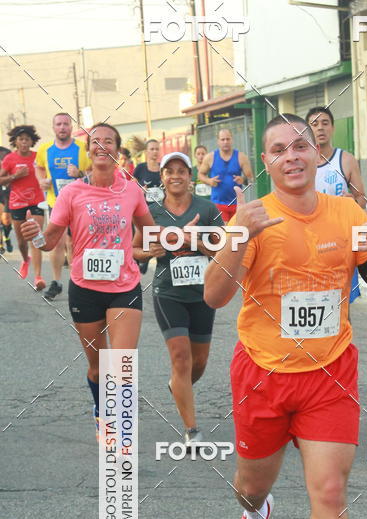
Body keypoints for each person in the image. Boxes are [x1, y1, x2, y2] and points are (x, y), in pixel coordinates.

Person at [204, 114, 367, 519]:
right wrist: (237, 239)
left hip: (329, 373)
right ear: (265, 162)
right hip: (262, 374)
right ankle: (255, 514)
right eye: (278, 150)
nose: (291, 156)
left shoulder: (347, 213)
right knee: (251, 484)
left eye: (299, 146)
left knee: (331, 490)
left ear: (318, 155)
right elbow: (214, 297)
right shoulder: (250, 217)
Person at [21, 123, 155, 438]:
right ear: (89, 150)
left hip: (124, 287)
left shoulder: (131, 189)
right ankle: (100, 407)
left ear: (118, 150)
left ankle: (119, 429)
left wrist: (162, 245)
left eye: (109, 141)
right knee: (98, 367)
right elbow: (49, 242)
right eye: (96, 141)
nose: (102, 146)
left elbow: (150, 231)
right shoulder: (72, 193)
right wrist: (35, 236)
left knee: (121, 365)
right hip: (85, 289)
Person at [133, 151, 223, 446]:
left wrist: (194, 240)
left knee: (199, 362)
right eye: (169, 171)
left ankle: (178, 387)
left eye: (181, 171)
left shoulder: (207, 210)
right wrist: (151, 253)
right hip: (168, 292)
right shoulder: (152, 212)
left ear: (190, 177)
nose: (175, 176)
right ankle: (192, 430)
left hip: (202, 293)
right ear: (162, 178)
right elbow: (133, 250)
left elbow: (225, 252)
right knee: (181, 358)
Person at [307, 105, 367, 304]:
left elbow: (362, 200)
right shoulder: (300, 162)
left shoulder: (346, 160)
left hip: (340, 244)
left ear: (332, 128)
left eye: (325, 123)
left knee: (342, 305)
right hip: (307, 243)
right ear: (307, 130)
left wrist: (352, 202)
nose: (320, 128)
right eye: (314, 124)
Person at [35, 112, 90, 300]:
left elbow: (94, 173)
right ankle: (57, 282)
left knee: (75, 243)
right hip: (56, 203)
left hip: (80, 203)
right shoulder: (45, 149)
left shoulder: (82, 148)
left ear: (71, 127)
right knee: (56, 243)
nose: (62, 127)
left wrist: (79, 173)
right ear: (53, 127)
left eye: (66, 124)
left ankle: (77, 282)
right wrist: (42, 181)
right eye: (58, 124)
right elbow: (38, 166)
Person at [0, 125, 46, 288]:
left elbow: (47, 173)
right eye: (21, 139)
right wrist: (15, 176)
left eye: (27, 139)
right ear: (16, 141)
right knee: (21, 241)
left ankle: (38, 277)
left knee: (36, 237)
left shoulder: (38, 156)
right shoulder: (10, 159)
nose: (24, 142)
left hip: (37, 202)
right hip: (17, 203)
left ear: (32, 141)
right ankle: (25, 259)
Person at [196, 129, 253, 222]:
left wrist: (243, 179)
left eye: (228, 139)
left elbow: (250, 178)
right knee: (223, 233)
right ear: (218, 141)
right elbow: (200, 174)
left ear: (232, 140)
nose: (225, 142)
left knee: (236, 233)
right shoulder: (210, 157)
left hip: (236, 203)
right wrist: (209, 181)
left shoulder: (241, 157)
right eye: (222, 139)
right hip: (218, 203)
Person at [133, 139, 163, 275]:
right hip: (144, 209)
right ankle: (143, 258)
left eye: (157, 149)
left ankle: (154, 262)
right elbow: (132, 186)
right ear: (146, 151)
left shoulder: (163, 168)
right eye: (152, 149)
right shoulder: (140, 168)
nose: (155, 152)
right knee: (144, 235)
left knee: (158, 237)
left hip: (161, 209)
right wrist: (140, 189)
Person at [0, 146, 14, 254]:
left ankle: (7, 237)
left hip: (7, 195)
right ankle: (1, 245)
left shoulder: (6, 152)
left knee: (6, 220)